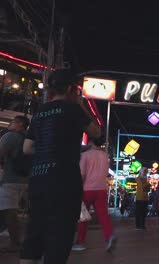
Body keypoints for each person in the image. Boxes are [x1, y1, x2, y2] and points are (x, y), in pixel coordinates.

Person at [21, 69, 101, 264]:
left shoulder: (40, 112)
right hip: (64, 180)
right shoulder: (72, 109)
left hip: (39, 179)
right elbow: (96, 132)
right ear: (70, 88)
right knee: (59, 236)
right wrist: (82, 105)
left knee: (35, 232)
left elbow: (27, 148)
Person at [73, 137, 116, 252]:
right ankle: (109, 235)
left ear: (91, 142)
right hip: (101, 189)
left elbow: (82, 174)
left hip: (87, 189)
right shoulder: (105, 156)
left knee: (83, 217)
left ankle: (80, 242)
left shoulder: (85, 155)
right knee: (103, 215)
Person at [0, 116, 30, 253]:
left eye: (12, 122)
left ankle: (15, 242)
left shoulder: (10, 136)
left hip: (11, 179)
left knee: (9, 211)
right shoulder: (29, 139)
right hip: (26, 180)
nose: (10, 124)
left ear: (19, 124)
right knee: (10, 210)